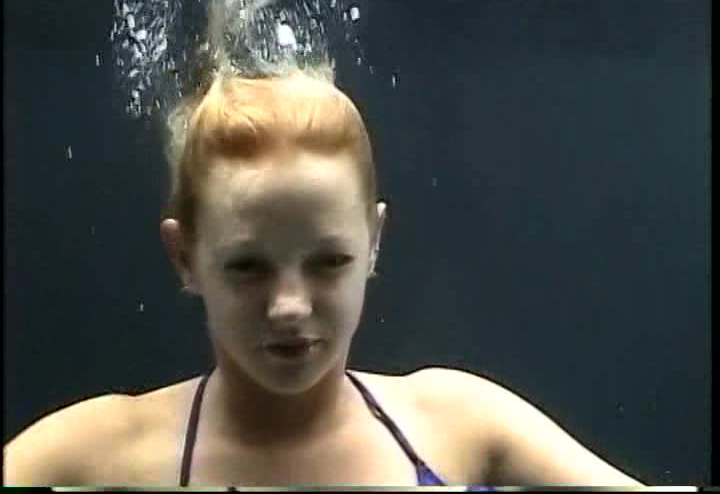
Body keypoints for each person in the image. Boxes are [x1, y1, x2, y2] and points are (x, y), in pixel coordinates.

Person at [4, 66, 646, 488]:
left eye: (329, 261)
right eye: (248, 266)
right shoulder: (95, 451)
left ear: (373, 243)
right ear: (184, 257)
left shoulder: (468, 424)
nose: (289, 306)